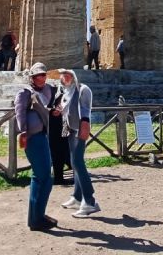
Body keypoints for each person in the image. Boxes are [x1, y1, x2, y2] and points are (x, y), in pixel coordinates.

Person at [14, 62, 60, 231]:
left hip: (42, 135)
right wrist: (23, 132)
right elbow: (19, 112)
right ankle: (36, 219)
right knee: (42, 177)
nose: (41, 78)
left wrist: (57, 109)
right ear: (32, 77)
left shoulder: (49, 90)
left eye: (43, 75)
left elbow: (52, 105)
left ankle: (37, 215)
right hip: (32, 138)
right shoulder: (25, 92)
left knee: (45, 177)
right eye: (38, 75)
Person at [56, 69, 100, 217]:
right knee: (74, 163)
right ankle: (77, 197)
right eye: (63, 76)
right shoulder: (66, 91)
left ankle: (90, 201)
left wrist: (85, 126)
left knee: (78, 162)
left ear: (74, 76)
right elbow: (67, 109)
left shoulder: (83, 89)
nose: (66, 78)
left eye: (68, 75)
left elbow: (86, 109)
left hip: (80, 130)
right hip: (71, 130)